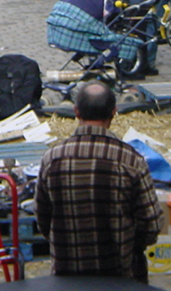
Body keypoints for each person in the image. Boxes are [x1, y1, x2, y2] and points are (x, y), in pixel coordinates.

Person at [36, 82, 162, 282]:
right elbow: (151, 223)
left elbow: (43, 218)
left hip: (68, 277)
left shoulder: (51, 159)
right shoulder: (131, 160)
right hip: (121, 276)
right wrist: (131, 248)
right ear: (114, 112)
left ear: (76, 111)